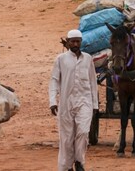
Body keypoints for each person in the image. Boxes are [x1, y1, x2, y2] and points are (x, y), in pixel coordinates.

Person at [49, 29, 98, 171]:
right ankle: (67, 166)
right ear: (68, 42)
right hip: (66, 103)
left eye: (78, 41)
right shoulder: (60, 59)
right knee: (67, 138)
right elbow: (54, 81)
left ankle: (79, 162)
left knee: (83, 132)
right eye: (73, 41)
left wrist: (95, 104)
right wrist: (52, 101)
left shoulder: (88, 59)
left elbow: (93, 82)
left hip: (85, 101)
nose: (75, 44)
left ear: (81, 42)